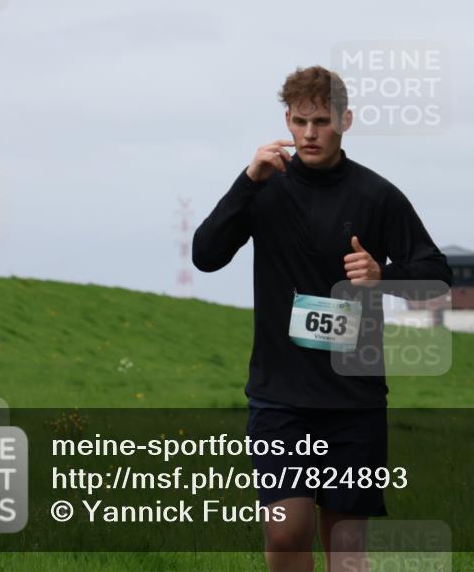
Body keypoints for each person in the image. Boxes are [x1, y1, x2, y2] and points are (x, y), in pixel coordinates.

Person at [193, 66, 452, 572]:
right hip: (279, 394)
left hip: (353, 398)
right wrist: (246, 181)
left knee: (347, 545)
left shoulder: (377, 195)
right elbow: (206, 255)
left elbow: (437, 277)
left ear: (346, 120)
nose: (309, 134)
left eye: (322, 121)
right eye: (300, 122)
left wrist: (385, 274)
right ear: (286, 121)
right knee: (286, 528)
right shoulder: (262, 188)